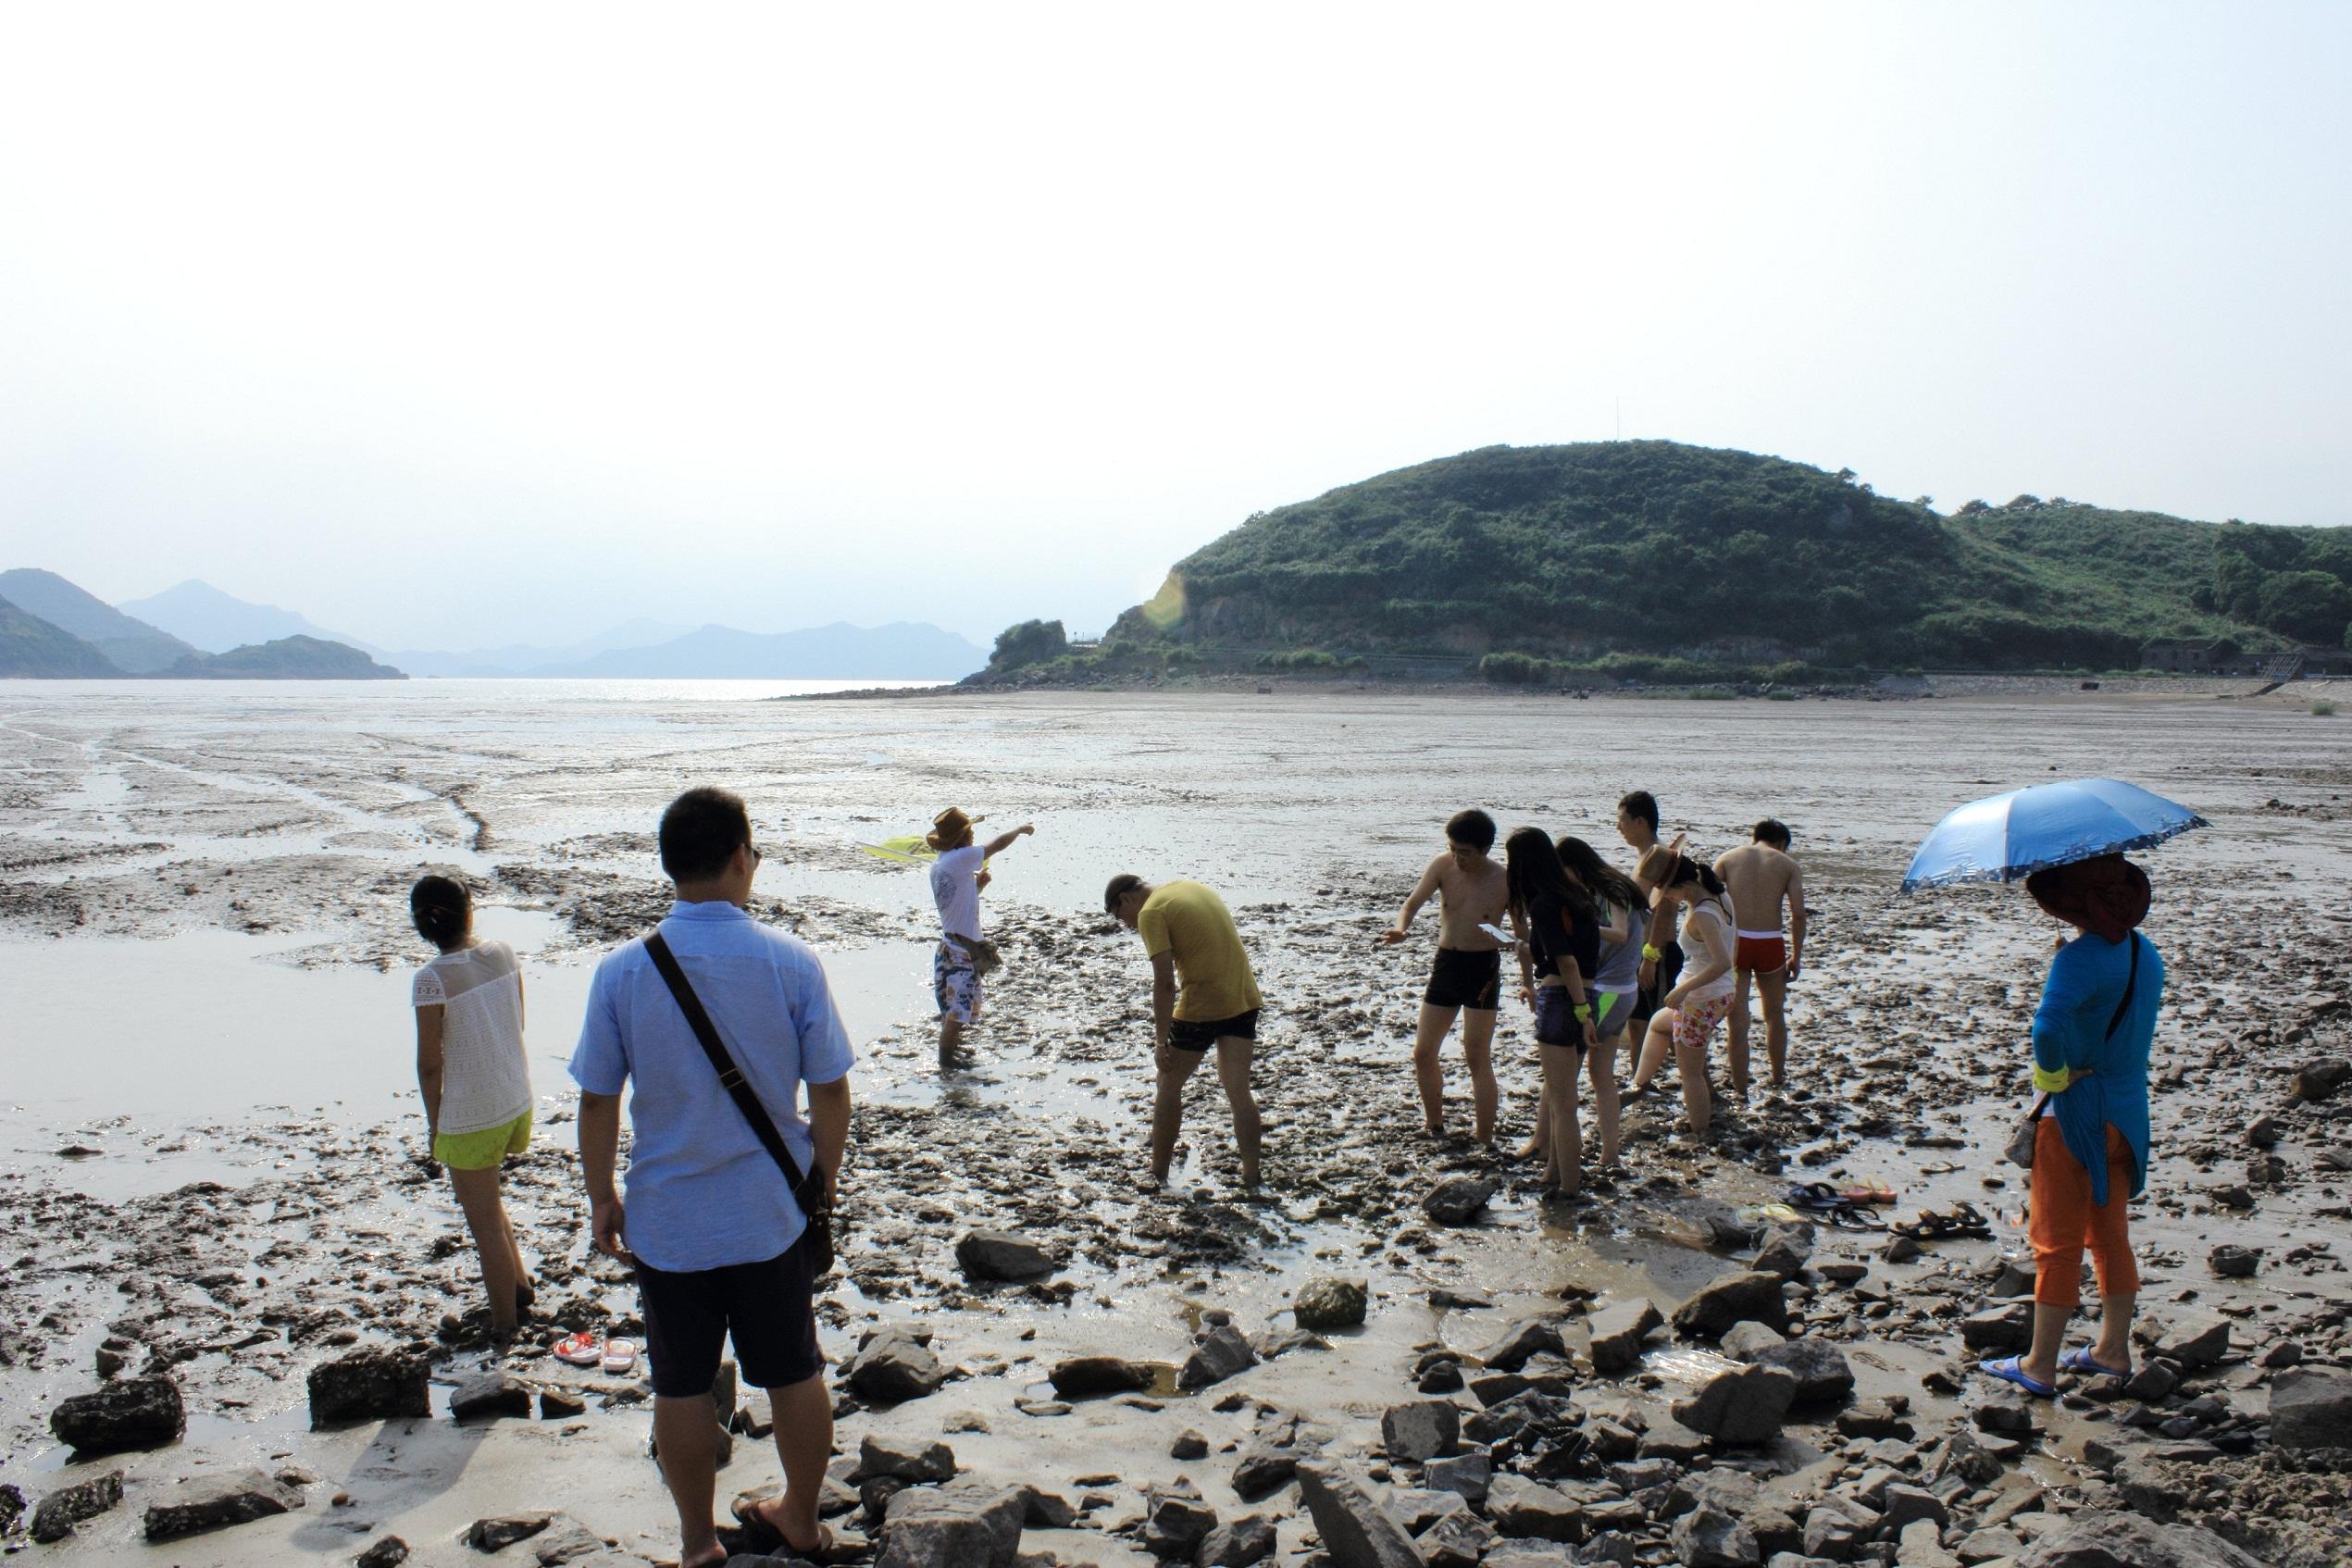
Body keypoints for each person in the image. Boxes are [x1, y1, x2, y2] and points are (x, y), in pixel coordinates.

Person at [570, 788, 854, 1568]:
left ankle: (698, 1543)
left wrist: (603, 1195)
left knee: (682, 1386)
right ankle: (799, 1516)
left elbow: (599, 1098)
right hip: (768, 1211)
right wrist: (822, 1176)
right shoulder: (790, 961)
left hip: (668, 1220)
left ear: (670, 866)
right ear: (740, 858)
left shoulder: (622, 972)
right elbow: (829, 1087)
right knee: (795, 1371)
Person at [1982, 853, 2163, 1400]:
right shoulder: (2143, 952)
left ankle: (2039, 1364)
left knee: (2056, 1244)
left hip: (2075, 1118)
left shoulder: (2080, 960)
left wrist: (2053, 1076)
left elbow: (2047, 1030)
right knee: (2110, 1237)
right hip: (2127, 1116)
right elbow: (2108, 1007)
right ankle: (2112, 1349)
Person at [409, 874, 533, 1341]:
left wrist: (435, 1124)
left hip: (471, 1115)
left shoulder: (430, 981)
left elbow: (429, 1066)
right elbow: (517, 1020)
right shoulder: (502, 953)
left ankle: (504, 1324)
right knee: (490, 1202)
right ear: (469, 912)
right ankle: (519, 1287)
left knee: (482, 1221)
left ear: (422, 925)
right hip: (514, 1098)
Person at [1104, 873, 1264, 1189]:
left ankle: (1157, 1173)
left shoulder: (1151, 911)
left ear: (1126, 900)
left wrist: (1160, 1041)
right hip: (1243, 997)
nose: (1126, 925)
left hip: (1202, 1006)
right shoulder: (1192, 887)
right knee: (1238, 1090)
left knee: (1167, 1082)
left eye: (1119, 917)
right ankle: (1252, 1176)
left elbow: (1164, 983)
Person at [1377, 809, 1510, 1142]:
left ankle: (1484, 1137)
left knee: (1476, 1054)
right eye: (1452, 848)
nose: (1457, 857)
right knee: (1423, 1051)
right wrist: (1400, 928)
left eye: (1464, 852)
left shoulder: (1505, 879)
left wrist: (1503, 941)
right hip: (1447, 963)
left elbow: (1519, 937)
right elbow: (1412, 902)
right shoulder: (1442, 865)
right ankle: (1434, 1124)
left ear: (1485, 850)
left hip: (1483, 968)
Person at [1500, 828, 1600, 1196]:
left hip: (1563, 1000)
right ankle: (1553, 1175)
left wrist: (1580, 1012)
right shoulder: (1579, 895)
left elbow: (1567, 962)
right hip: (1590, 993)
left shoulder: (1543, 903)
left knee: (1563, 1104)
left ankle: (1570, 1188)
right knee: (1564, 1097)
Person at [1628, 849, 1738, 1134]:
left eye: (1667, 892)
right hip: (1721, 993)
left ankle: (1699, 1130)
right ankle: (1638, 1085)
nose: (1668, 898)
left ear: (1681, 886)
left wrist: (1683, 991)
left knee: (1690, 1073)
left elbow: (1722, 961)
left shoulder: (1702, 914)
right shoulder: (1720, 896)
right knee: (1658, 1024)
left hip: (1701, 999)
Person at [1555, 835, 1646, 1169]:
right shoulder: (1615, 886)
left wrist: (1581, 926)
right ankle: (1610, 1155)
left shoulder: (1612, 890)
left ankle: (1550, 1148)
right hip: (1625, 990)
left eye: (1563, 871)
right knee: (1601, 1074)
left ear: (1575, 866)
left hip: (1608, 991)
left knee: (1564, 1071)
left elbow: (1620, 933)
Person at [925, 806, 1036, 1071]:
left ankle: (953, 1054)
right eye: (970, 831)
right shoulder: (960, 858)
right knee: (957, 1012)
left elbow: (958, 903)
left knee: (959, 1008)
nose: (973, 835)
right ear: (961, 839)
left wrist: (977, 887)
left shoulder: (942, 864)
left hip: (954, 946)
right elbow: (996, 845)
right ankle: (946, 1063)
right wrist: (1019, 830)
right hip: (960, 951)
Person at [1714, 819, 1808, 1096]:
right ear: (1781, 844)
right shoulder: (1787, 865)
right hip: (1769, 942)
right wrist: (1796, 956)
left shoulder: (1728, 858)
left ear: (1755, 837)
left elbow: (1705, 898)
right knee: (1774, 1014)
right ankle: (1778, 1078)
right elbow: (1798, 914)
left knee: (1737, 1019)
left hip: (1736, 943)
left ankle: (1741, 1089)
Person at [1617, 791, 1685, 1052]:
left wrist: (1650, 957)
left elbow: (1664, 910)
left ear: (1640, 822)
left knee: (1668, 1026)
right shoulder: (1645, 856)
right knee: (1637, 1023)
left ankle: (1702, 1086)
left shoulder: (1661, 857)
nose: (1618, 828)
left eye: (1621, 821)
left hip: (1659, 952)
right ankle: (1640, 1082)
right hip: (1640, 951)